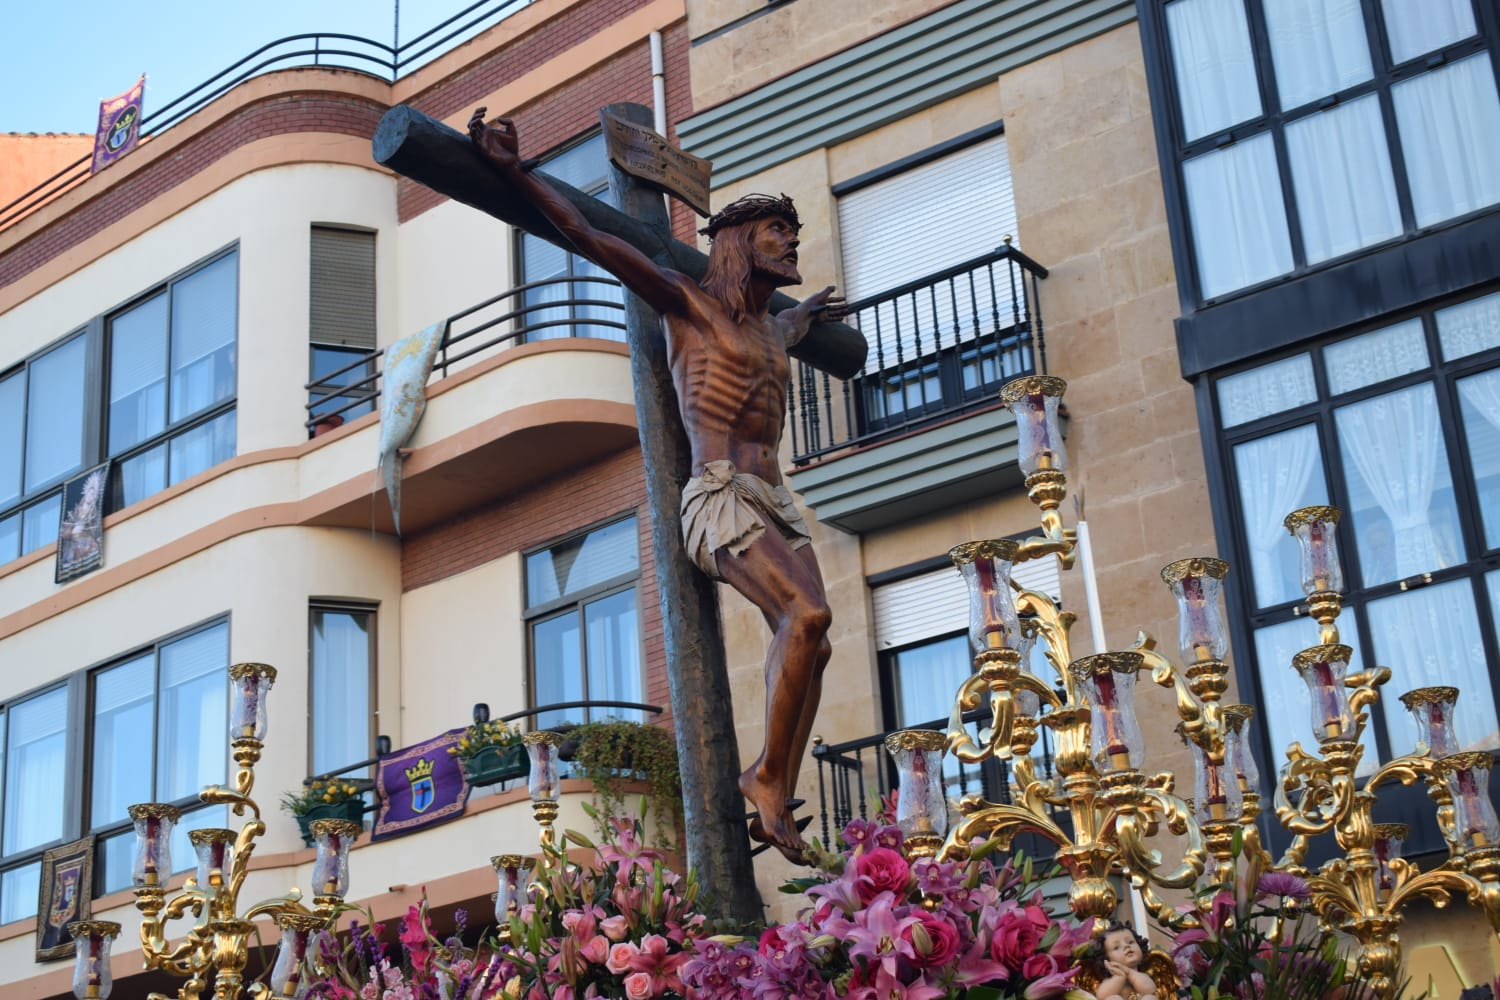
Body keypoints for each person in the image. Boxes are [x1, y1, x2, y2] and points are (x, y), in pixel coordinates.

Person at [468, 108, 846, 861]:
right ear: (739, 241)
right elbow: (587, 236)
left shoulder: (772, 331)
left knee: (820, 640)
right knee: (804, 616)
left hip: (774, 503)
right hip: (720, 496)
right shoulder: (686, 302)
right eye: (777, 231)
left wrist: (802, 315)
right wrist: (513, 171)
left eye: (792, 231)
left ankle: (773, 778)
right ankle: (766, 778)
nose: (792, 241)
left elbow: (788, 332)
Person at [1090, 922, 1160, 1000]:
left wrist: (1129, 972)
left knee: (1150, 997)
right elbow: (1101, 996)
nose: (1126, 946)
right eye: (1116, 947)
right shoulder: (1109, 981)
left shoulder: (1142, 976)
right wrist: (1119, 977)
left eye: (1131, 942)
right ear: (1106, 958)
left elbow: (1150, 990)